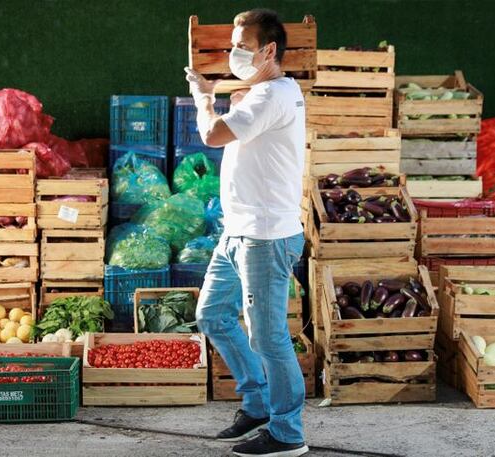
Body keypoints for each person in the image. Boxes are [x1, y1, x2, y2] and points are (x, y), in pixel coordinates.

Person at [184, 8, 307, 457]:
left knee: (269, 337)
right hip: (238, 230)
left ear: (269, 50)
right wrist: (227, 91)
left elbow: (214, 135)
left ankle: (288, 432)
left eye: (241, 47)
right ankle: (257, 403)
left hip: (265, 236)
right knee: (213, 315)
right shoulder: (265, 91)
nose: (232, 54)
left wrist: (202, 97)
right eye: (231, 45)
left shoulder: (271, 96)